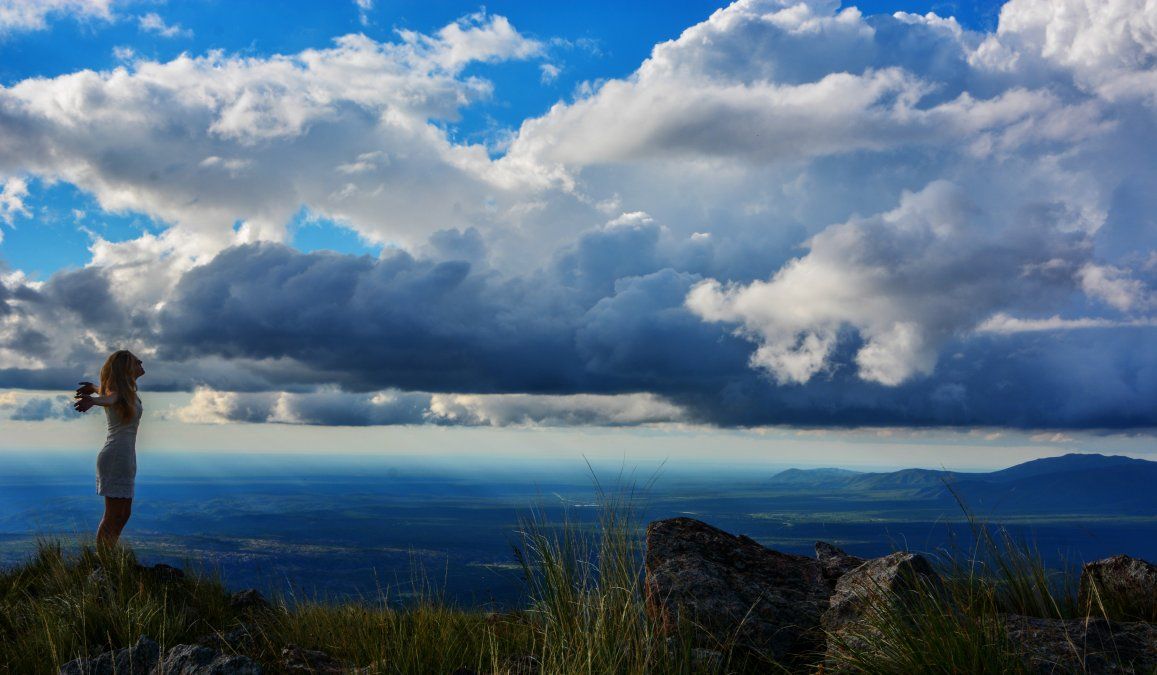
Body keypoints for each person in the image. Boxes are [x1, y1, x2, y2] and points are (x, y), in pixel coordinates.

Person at [73, 350, 146, 548]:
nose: (142, 365)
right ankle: (103, 563)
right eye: (137, 362)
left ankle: (108, 555)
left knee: (124, 513)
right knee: (113, 514)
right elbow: (109, 399)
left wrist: (94, 389)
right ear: (127, 368)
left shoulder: (125, 391)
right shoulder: (118, 393)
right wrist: (94, 401)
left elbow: (109, 395)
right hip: (115, 457)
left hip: (125, 457)